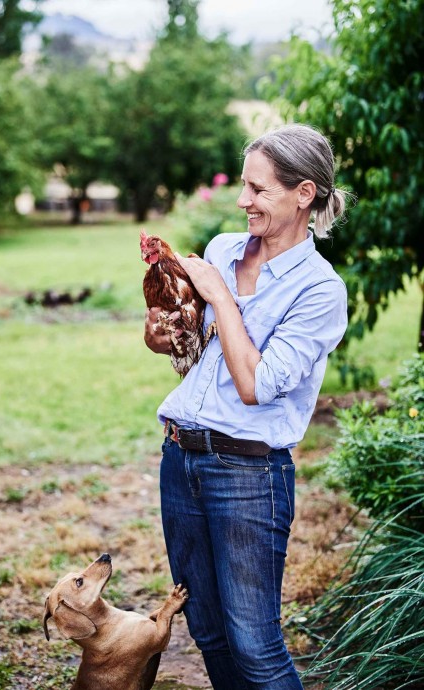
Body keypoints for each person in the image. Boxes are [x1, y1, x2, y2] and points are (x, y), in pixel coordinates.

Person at [144, 123, 348, 690]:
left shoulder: (320, 291)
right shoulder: (222, 251)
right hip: (181, 458)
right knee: (207, 632)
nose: (242, 201)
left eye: (258, 190)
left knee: (256, 646)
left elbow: (257, 384)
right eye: (243, 186)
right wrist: (167, 334)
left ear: (303, 194)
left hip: (249, 473)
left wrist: (217, 296)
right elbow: (195, 360)